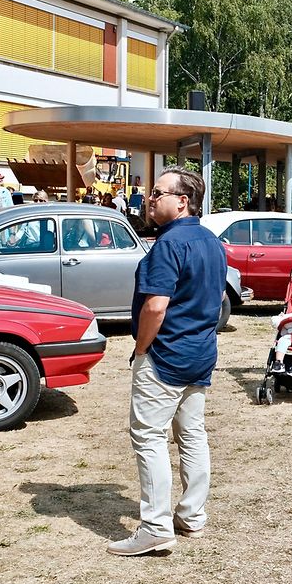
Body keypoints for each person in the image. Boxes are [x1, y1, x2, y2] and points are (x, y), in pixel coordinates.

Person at [107, 167, 226, 556]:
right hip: (200, 354)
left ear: (183, 201)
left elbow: (156, 306)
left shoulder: (168, 245)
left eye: (158, 193)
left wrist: (142, 349)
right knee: (191, 434)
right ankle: (192, 515)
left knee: (150, 437)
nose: (149, 198)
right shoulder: (212, 242)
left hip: (165, 355)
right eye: (150, 192)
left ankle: (156, 526)